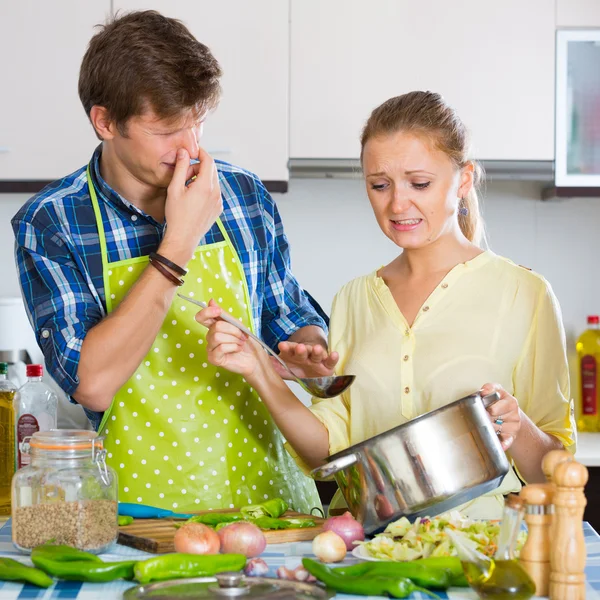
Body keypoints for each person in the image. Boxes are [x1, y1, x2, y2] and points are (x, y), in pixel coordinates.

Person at [12, 10, 338, 513]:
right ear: (105, 121)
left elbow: (289, 319)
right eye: (166, 130)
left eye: (198, 124)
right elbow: (93, 385)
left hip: (273, 510)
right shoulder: (52, 223)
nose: (189, 148)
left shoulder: (243, 193)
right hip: (140, 520)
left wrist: (307, 352)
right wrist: (180, 239)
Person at [197, 91, 577, 520]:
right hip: (365, 551)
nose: (397, 204)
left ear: (464, 180)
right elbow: (326, 447)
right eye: (380, 185)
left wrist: (519, 426)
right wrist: (259, 371)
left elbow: (558, 475)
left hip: (482, 553)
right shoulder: (353, 299)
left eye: (420, 184)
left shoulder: (524, 293)